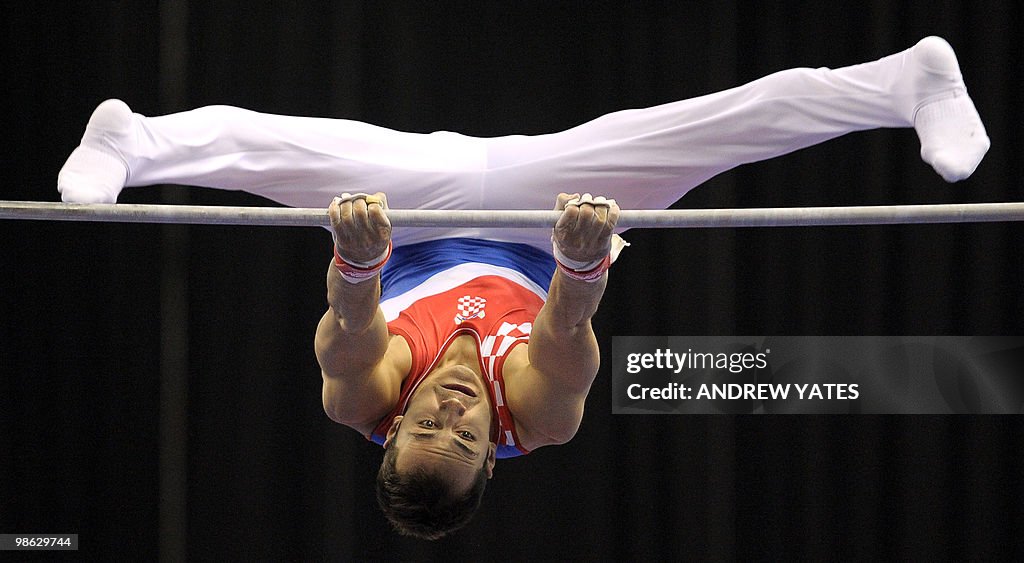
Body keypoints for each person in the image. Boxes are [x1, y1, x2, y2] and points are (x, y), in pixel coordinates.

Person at [57, 37, 988, 539]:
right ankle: (902, 81)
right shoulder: (539, 419)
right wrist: (580, 264)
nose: (453, 413)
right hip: (545, 220)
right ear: (490, 455)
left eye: (426, 427)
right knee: (709, 127)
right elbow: (563, 340)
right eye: (464, 437)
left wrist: (357, 265)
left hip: (409, 217)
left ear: (393, 432)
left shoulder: (364, 400)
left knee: (282, 150)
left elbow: (343, 342)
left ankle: (134, 140)